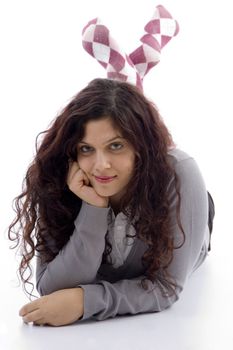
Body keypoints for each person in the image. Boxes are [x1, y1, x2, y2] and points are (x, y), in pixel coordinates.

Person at [8, 78, 215, 326]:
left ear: (141, 147)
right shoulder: (57, 180)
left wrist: (85, 301)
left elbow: (166, 285)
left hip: (185, 212)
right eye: (86, 149)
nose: (101, 165)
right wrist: (94, 208)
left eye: (115, 146)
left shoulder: (180, 175)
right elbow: (52, 288)